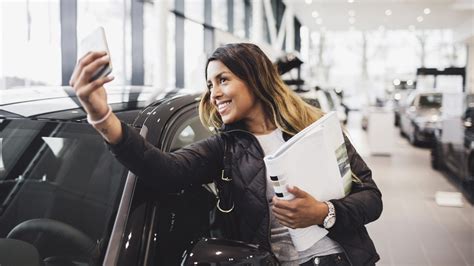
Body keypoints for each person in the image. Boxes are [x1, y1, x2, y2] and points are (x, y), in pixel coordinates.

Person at [70, 43, 382, 266]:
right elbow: (164, 169)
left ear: (256, 80)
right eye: (210, 84)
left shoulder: (315, 127)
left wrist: (322, 212)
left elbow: (371, 198)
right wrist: (101, 116)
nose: (214, 93)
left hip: (343, 257)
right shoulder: (224, 149)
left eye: (223, 80)